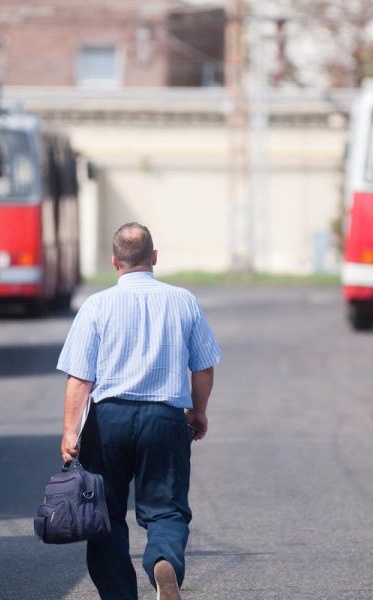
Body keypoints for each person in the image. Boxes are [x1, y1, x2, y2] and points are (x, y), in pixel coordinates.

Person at [57, 223, 221, 600]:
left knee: (107, 516)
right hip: (164, 418)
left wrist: (70, 432)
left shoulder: (96, 306)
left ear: (115, 262)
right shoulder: (183, 301)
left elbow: (79, 379)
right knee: (166, 509)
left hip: (108, 420)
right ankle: (163, 559)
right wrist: (199, 411)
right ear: (155, 257)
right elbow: (204, 367)